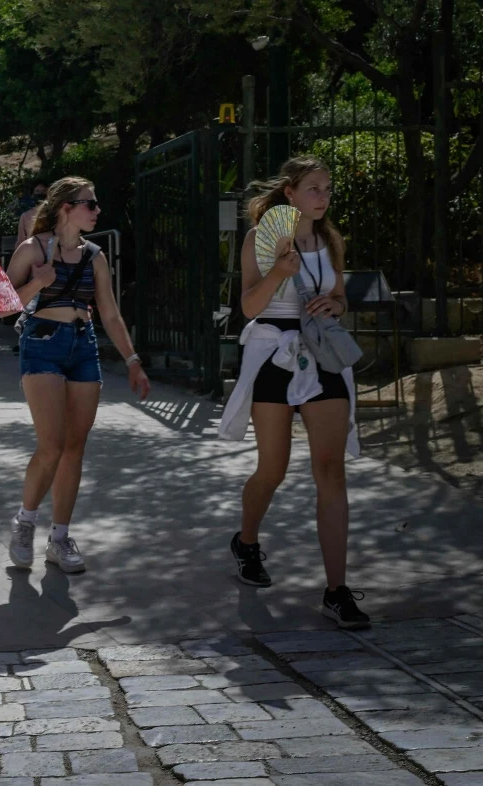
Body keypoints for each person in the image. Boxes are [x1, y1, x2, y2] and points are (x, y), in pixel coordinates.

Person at [218, 157, 368, 629]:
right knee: (273, 469)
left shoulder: (329, 240)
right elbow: (248, 306)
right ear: (290, 193)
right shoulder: (259, 239)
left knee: (331, 469)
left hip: (321, 353)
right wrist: (279, 274)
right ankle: (246, 541)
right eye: (314, 188)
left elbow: (340, 296)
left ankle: (337, 590)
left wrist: (334, 304)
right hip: (273, 354)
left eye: (328, 188)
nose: (324, 197)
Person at [4, 176, 150, 573]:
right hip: (42, 343)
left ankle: (60, 537)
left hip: (83, 347)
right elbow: (2, 306)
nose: (98, 211)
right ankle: (25, 522)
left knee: (74, 447)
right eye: (91, 203)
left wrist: (132, 360)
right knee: (51, 445)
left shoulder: (95, 256)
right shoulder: (33, 249)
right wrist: (38, 281)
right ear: (66, 208)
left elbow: (110, 314)